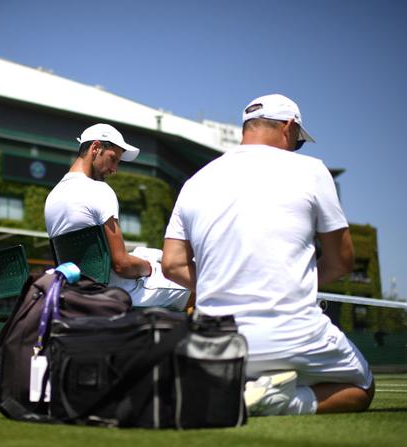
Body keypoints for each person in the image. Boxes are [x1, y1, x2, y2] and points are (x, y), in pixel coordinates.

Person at [162, 94, 374, 416]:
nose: (295, 147)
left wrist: (224, 281)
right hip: (294, 333)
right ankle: (283, 403)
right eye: (298, 141)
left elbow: (172, 264)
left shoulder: (195, 181)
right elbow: (341, 261)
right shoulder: (312, 171)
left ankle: (240, 391)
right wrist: (287, 282)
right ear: (289, 127)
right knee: (362, 388)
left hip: (216, 342)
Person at [44, 123, 190, 310]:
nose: (115, 169)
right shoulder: (100, 191)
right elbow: (122, 265)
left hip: (75, 288)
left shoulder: (53, 196)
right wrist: (151, 268)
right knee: (190, 283)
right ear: (95, 148)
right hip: (112, 290)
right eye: (113, 159)